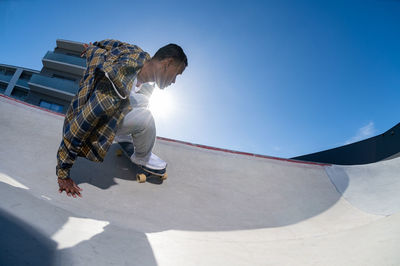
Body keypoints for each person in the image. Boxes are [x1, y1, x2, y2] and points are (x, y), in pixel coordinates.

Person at [56, 39, 187, 198]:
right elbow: (81, 124)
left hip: (112, 103)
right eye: (176, 74)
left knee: (143, 101)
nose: (174, 81)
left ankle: (123, 133)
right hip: (95, 125)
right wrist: (63, 174)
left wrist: (93, 46)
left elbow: (114, 45)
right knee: (145, 117)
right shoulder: (113, 87)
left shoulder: (137, 53)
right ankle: (142, 158)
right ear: (168, 63)